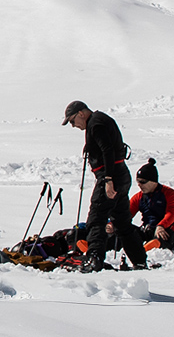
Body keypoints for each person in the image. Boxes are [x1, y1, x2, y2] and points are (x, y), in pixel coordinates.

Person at [62, 100, 145, 271]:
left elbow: (107, 150)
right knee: (122, 223)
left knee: (96, 219)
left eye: (72, 121)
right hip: (120, 175)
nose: (73, 125)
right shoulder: (100, 120)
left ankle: (94, 260)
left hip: (111, 178)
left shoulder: (96, 123)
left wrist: (107, 180)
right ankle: (140, 261)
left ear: (81, 114)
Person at [130, 160, 174, 254]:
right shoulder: (138, 197)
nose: (139, 185)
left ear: (153, 181)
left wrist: (161, 226)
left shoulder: (169, 193)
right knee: (124, 229)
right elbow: (127, 213)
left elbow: (171, 213)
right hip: (147, 230)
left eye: (143, 182)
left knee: (164, 237)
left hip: (166, 231)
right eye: (138, 182)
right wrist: (112, 224)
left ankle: (142, 251)